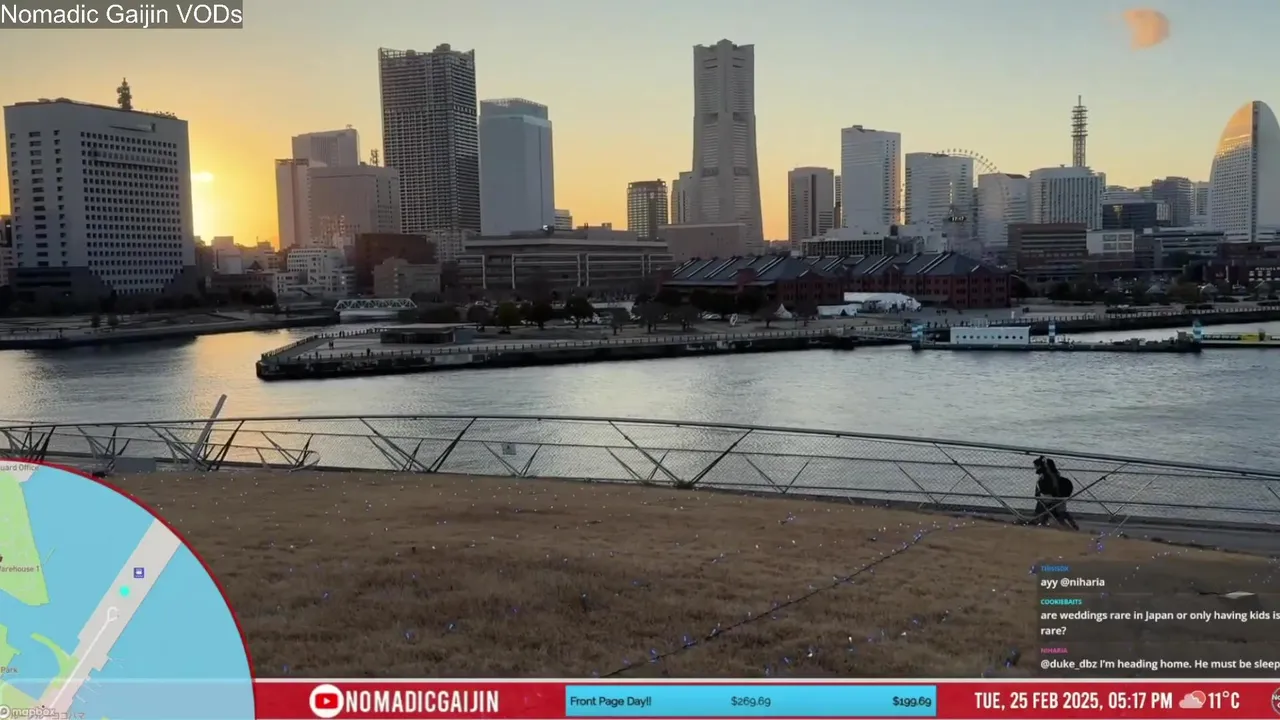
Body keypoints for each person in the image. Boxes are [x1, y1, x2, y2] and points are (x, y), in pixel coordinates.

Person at [1042, 457, 1080, 530]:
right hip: (1057, 495)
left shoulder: (1052, 475)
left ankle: (1068, 526)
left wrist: (1053, 493)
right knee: (1057, 511)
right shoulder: (1052, 474)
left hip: (1057, 496)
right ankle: (1071, 525)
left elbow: (1054, 486)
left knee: (1059, 512)